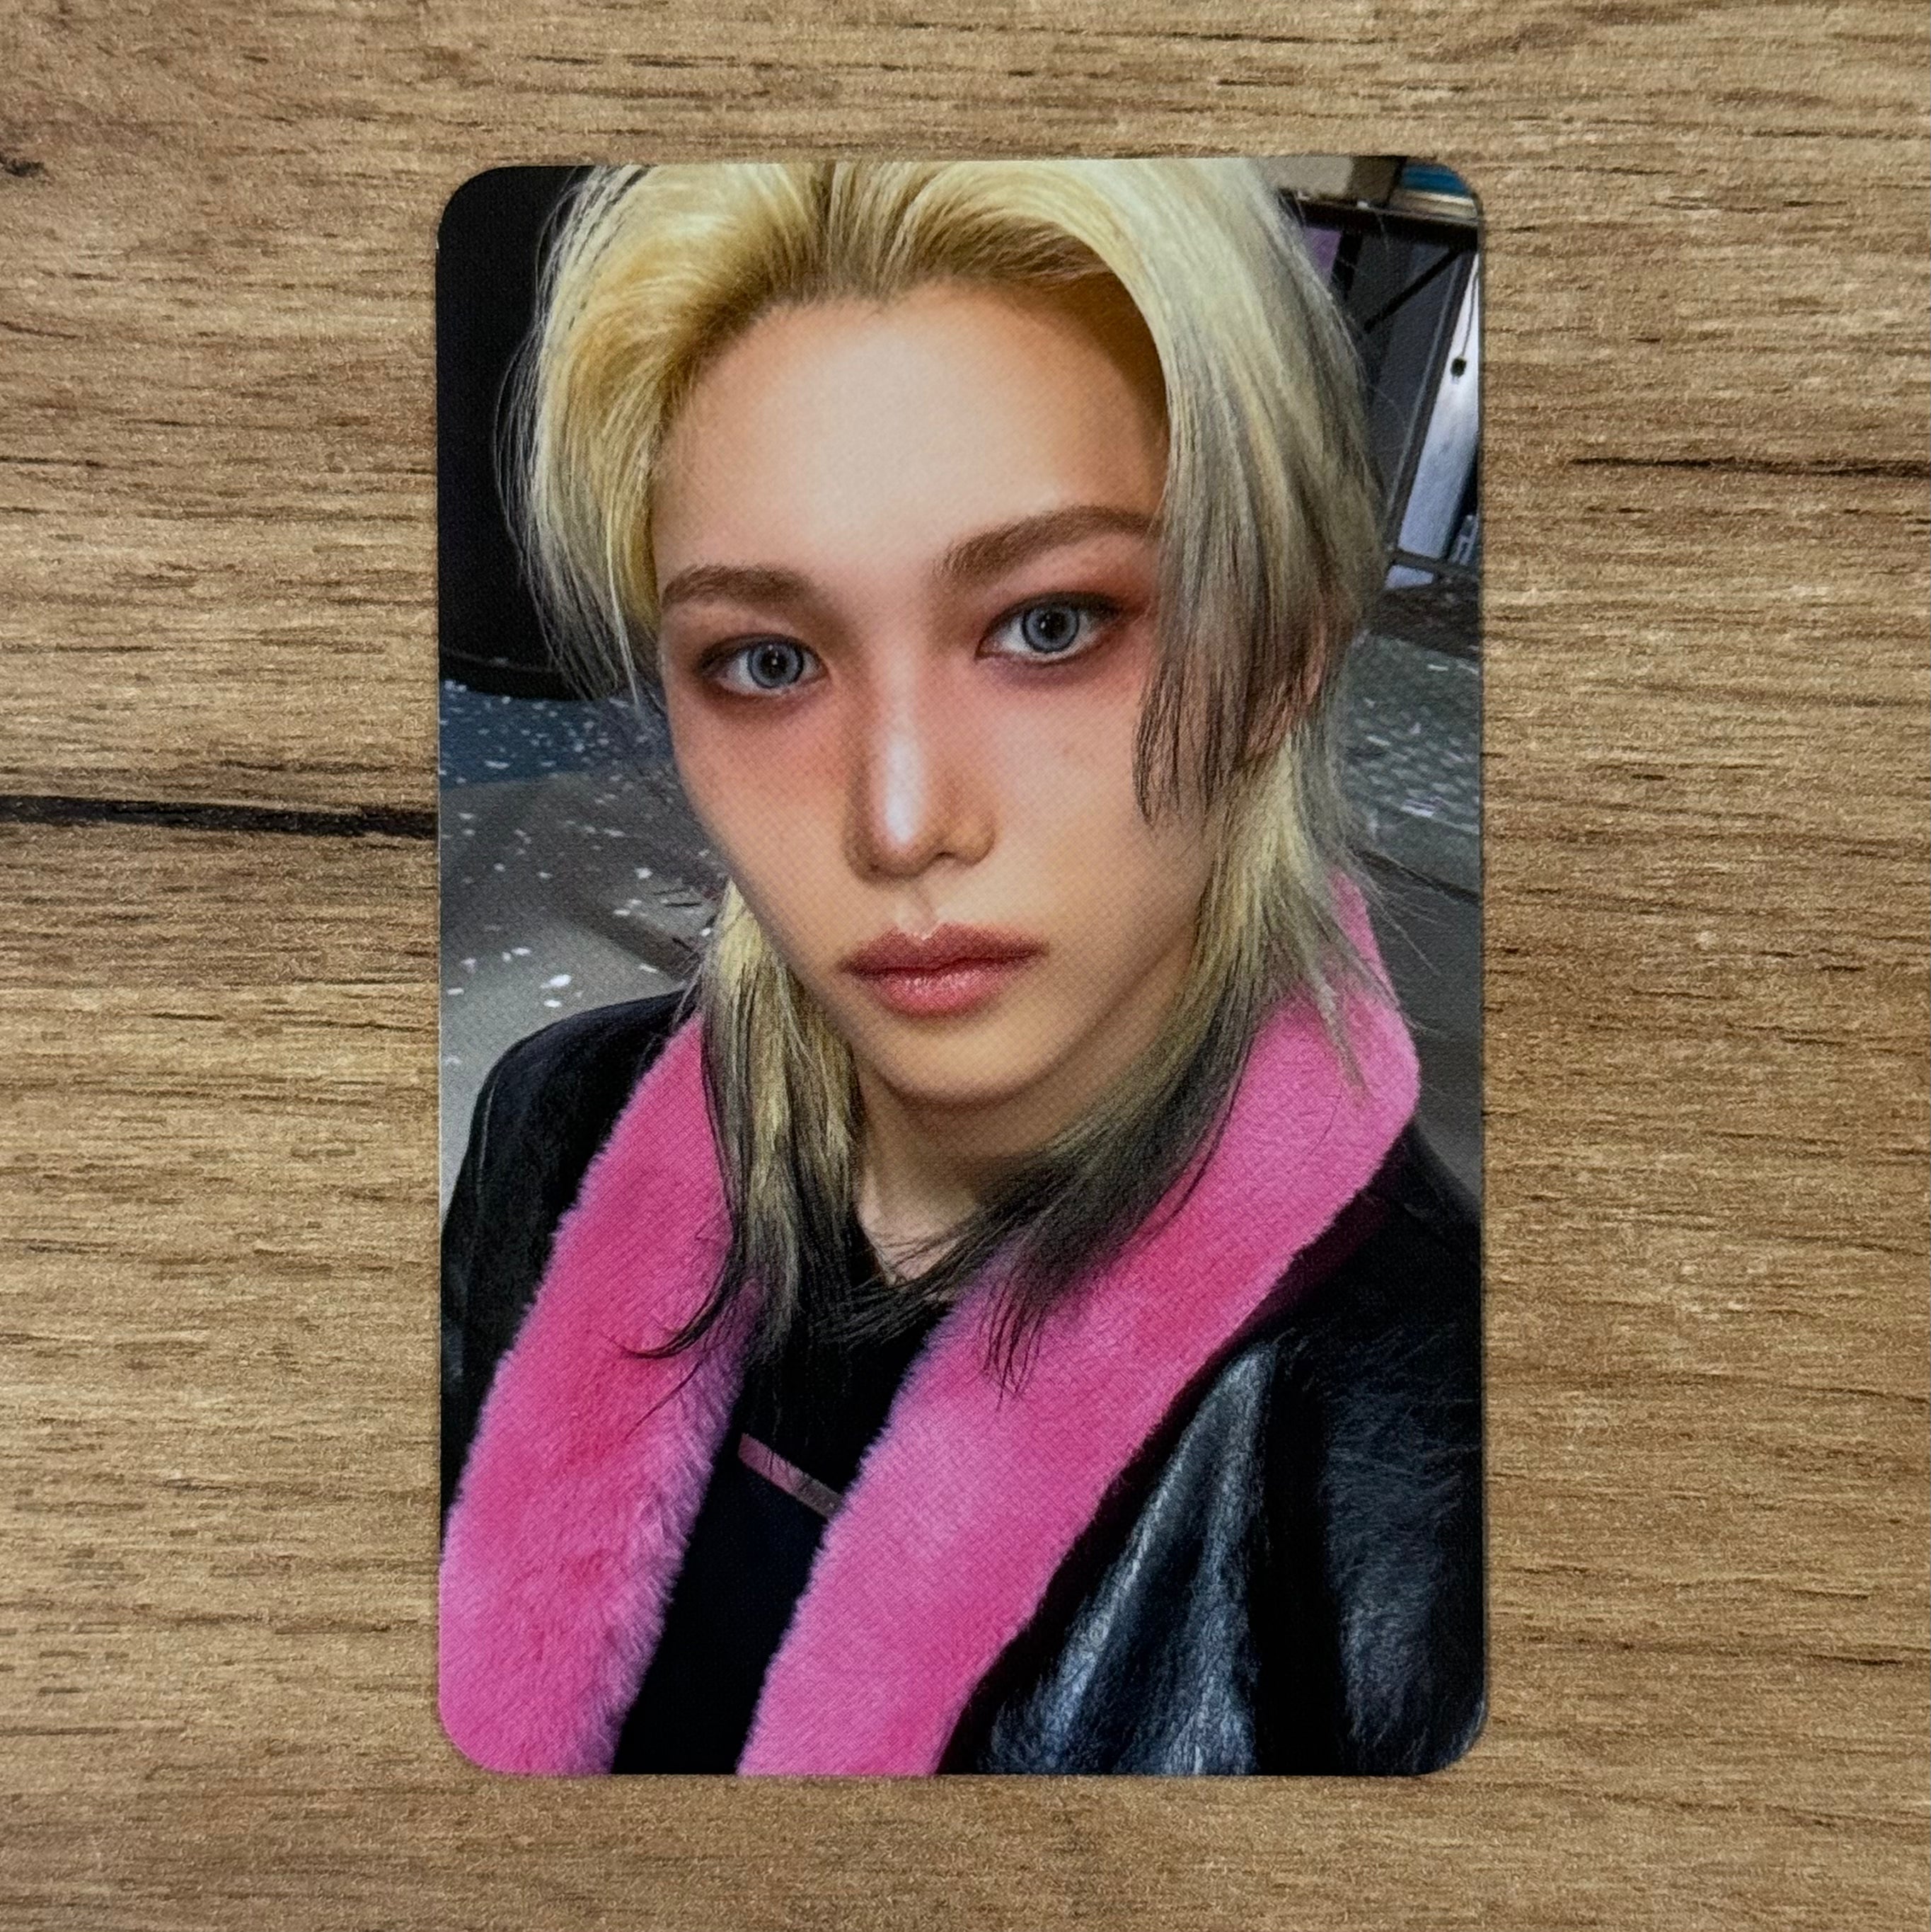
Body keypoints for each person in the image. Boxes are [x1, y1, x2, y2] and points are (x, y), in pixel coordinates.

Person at [437, 157, 1482, 1776]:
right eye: (766, 660)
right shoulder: (547, 1136)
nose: (902, 819)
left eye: (1049, 624)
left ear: (1278, 653)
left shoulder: (1432, 1461)